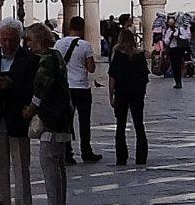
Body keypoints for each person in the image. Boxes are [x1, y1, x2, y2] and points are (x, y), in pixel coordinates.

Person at [0, 20, 37, 205]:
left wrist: (11, 86)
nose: (6, 43)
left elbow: (32, 87)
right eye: (3, 39)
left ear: (18, 39)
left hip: (17, 115)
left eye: (11, 40)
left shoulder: (29, 59)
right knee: (0, 164)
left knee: (21, 162)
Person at [30, 20, 73, 205]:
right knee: (58, 165)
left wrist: (30, 109)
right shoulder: (56, 55)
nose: (28, 44)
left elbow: (41, 87)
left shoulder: (46, 59)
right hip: (63, 114)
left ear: (38, 40)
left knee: (49, 164)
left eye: (29, 40)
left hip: (51, 117)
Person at [58, 18, 102, 162]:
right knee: (84, 121)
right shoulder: (85, 45)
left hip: (65, 88)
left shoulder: (59, 43)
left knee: (66, 121)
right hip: (81, 87)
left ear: (69, 27)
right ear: (82, 28)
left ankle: (67, 152)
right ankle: (86, 151)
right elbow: (91, 68)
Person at [108, 22, 149, 165]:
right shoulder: (140, 56)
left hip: (122, 93)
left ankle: (121, 158)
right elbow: (145, 77)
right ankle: (141, 157)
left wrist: (111, 95)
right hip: (137, 93)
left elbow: (112, 77)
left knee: (120, 126)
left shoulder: (118, 55)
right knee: (139, 125)